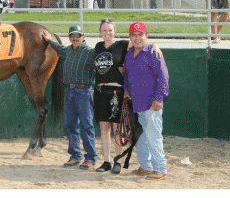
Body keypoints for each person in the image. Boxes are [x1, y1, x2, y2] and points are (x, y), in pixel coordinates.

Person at [93, 19, 163, 174]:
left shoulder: (123, 45)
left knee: (117, 129)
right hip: (101, 92)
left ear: (115, 31)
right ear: (100, 32)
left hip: (116, 93)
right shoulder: (98, 47)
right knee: (104, 129)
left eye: (110, 30)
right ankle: (106, 161)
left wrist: (154, 45)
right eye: (104, 30)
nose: (107, 33)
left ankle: (117, 161)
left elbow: (140, 45)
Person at [41, 25, 98, 169]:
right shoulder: (68, 50)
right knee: (70, 125)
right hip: (69, 91)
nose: (75, 38)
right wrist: (48, 40)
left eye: (78, 35)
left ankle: (90, 158)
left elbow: (102, 64)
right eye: (72, 35)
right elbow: (58, 48)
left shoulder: (90, 52)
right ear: (69, 38)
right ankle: (75, 156)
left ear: (83, 37)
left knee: (87, 126)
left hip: (84, 91)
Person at [123, 21, 170, 180]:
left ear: (146, 36)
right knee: (142, 136)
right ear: (130, 37)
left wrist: (159, 98)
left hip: (151, 103)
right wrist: (126, 90)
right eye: (134, 35)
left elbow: (163, 77)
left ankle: (160, 169)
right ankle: (146, 166)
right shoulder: (129, 54)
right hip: (137, 103)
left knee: (153, 135)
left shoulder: (153, 53)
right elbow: (127, 75)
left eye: (140, 35)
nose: (137, 38)